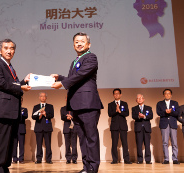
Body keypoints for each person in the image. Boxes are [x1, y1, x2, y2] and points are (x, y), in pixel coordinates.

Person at [51, 32, 103, 173]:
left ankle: (93, 167)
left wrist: (62, 83)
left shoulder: (91, 57)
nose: (79, 43)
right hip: (76, 105)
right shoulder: (75, 61)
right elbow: (74, 77)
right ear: (73, 45)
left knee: (91, 138)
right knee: (82, 138)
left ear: (88, 44)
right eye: (76, 42)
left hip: (88, 103)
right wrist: (60, 77)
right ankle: (86, 167)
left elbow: (82, 74)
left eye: (82, 41)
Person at [0, 38, 31, 173]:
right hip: (4, 108)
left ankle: (4, 167)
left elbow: (13, 85)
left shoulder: (11, 67)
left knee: (10, 141)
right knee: (2, 139)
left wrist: (25, 81)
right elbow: (1, 83)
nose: (9, 51)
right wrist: (21, 85)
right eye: (6, 48)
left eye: (12, 48)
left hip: (13, 110)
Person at [108, 88, 131, 164]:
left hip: (123, 126)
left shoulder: (124, 103)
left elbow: (127, 113)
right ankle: (114, 160)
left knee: (125, 143)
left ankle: (126, 160)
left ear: (120, 95)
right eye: (115, 93)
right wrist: (116, 111)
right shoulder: (110, 104)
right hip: (114, 126)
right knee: (114, 144)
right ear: (113, 95)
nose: (116, 95)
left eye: (118, 93)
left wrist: (120, 111)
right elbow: (110, 114)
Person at [156, 89, 180, 164]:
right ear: (163, 95)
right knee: (165, 142)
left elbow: (177, 113)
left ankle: (175, 159)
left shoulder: (175, 103)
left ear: (171, 95)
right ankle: (166, 159)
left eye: (168, 93)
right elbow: (158, 112)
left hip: (172, 123)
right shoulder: (159, 103)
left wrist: (171, 112)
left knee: (174, 142)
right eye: (165, 93)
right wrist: (165, 112)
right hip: (164, 124)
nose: (167, 95)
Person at [32, 92, 54, 164]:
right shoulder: (36, 107)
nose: (43, 97)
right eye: (41, 96)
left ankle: (49, 159)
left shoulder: (50, 106)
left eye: (44, 96)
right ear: (39, 97)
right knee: (39, 144)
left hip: (47, 128)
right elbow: (33, 116)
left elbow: (52, 115)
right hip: (38, 128)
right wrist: (39, 116)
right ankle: (38, 159)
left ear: (46, 97)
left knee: (48, 144)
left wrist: (45, 114)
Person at [132, 94, 153, 164]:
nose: (140, 99)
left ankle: (148, 160)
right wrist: (139, 116)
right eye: (138, 98)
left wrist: (144, 116)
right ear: (136, 100)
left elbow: (151, 116)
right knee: (139, 144)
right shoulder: (134, 108)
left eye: (141, 98)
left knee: (147, 144)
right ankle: (139, 160)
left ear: (143, 99)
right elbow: (133, 116)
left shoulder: (148, 108)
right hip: (138, 128)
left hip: (147, 128)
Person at [12, 96, 28, 164]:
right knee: (14, 145)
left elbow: (25, 116)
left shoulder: (24, 109)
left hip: (21, 128)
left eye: (20, 101)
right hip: (14, 128)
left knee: (21, 145)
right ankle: (14, 159)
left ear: (22, 102)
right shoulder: (13, 109)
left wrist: (19, 114)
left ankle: (21, 158)